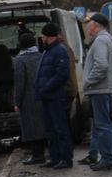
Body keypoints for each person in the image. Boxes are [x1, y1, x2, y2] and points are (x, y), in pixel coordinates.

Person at [78, 12, 112, 171]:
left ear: (95, 25)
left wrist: (88, 81)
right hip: (104, 88)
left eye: (89, 24)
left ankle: (107, 159)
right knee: (106, 124)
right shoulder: (107, 38)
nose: (88, 27)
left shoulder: (100, 40)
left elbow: (101, 66)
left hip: (99, 89)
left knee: (102, 126)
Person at [35, 22, 73, 169]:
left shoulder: (59, 51)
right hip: (47, 96)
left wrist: (46, 87)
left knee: (60, 128)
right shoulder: (49, 50)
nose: (41, 38)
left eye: (43, 35)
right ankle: (55, 157)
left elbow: (62, 74)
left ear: (48, 36)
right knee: (50, 129)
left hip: (56, 96)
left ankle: (65, 158)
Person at [12, 32, 46, 164]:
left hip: (28, 99)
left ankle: (37, 155)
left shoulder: (19, 60)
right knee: (42, 125)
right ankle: (44, 152)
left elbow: (19, 83)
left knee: (31, 127)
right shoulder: (41, 56)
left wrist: (17, 102)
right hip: (42, 96)